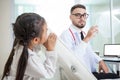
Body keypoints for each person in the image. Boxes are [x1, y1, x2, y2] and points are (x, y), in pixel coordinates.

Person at [60, 4, 119, 79]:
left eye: (84, 15)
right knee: (115, 77)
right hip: (81, 76)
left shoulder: (83, 33)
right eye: (78, 15)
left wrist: (100, 60)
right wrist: (87, 38)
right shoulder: (66, 35)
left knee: (114, 75)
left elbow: (89, 52)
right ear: (70, 17)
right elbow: (72, 61)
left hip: (91, 72)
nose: (82, 18)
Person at [1, 13, 57, 80]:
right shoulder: (29, 58)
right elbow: (48, 73)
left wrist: (42, 41)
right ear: (36, 40)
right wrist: (50, 50)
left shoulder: (21, 44)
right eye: (46, 30)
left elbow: (35, 47)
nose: (48, 32)